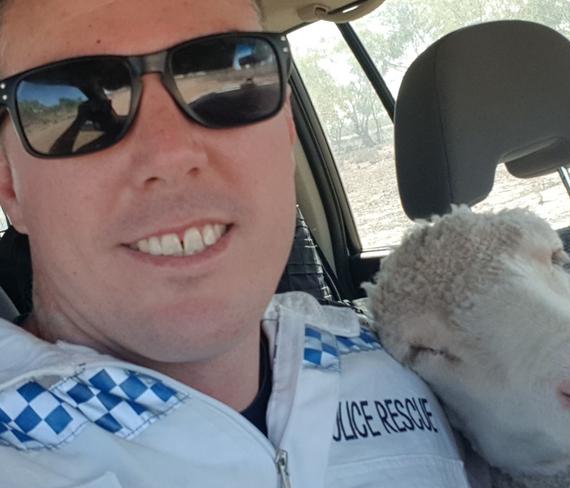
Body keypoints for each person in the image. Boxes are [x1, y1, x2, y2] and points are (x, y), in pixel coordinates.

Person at [0, 0, 483, 486]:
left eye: (228, 79)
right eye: (75, 101)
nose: (170, 153)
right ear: (9, 185)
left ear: (287, 127)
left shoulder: (424, 363)